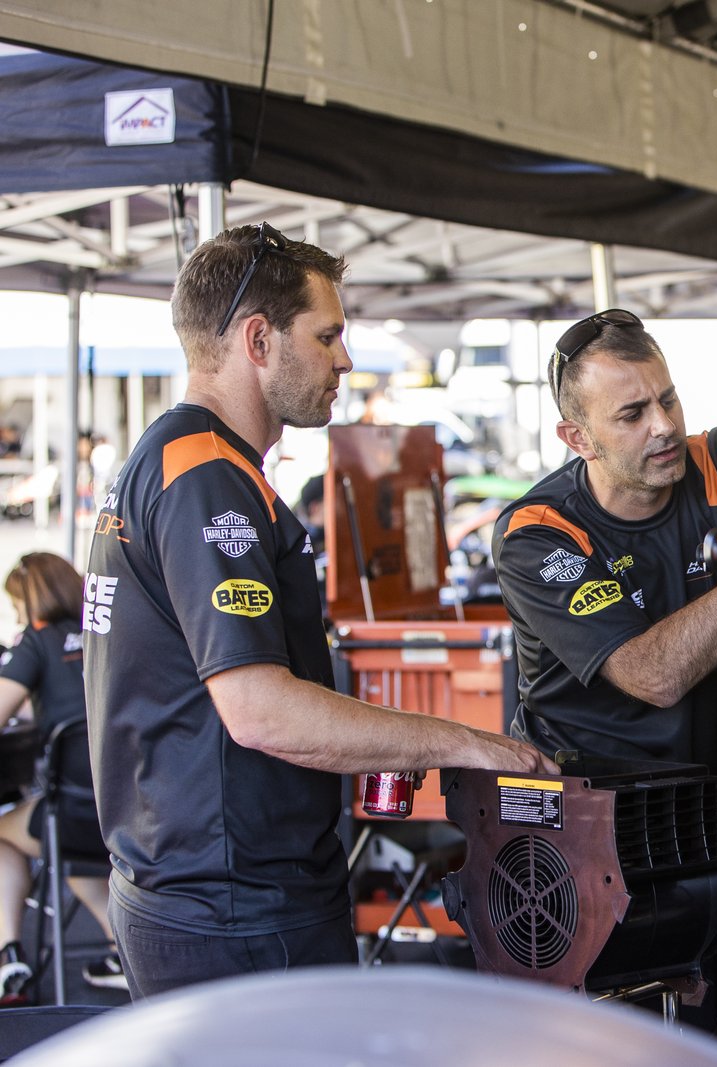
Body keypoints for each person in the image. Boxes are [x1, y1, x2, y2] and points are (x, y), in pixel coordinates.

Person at [82, 223, 555, 1000]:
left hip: (205, 891)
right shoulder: (205, 477)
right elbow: (259, 710)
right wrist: (466, 744)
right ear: (258, 339)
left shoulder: (185, 462)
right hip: (234, 909)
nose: (345, 359)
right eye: (328, 334)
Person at [494, 309, 717, 772]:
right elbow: (655, 676)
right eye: (633, 414)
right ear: (579, 439)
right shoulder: (538, 532)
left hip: (709, 787)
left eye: (667, 400)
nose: (665, 425)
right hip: (588, 800)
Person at [0, 552, 124, 1003]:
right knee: (69, 855)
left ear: (29, 603)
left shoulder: (34, 644)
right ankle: (122, 948)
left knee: (6, 833)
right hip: (137, 808)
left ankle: (7, 954)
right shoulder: (109, 632)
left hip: (75, 818)